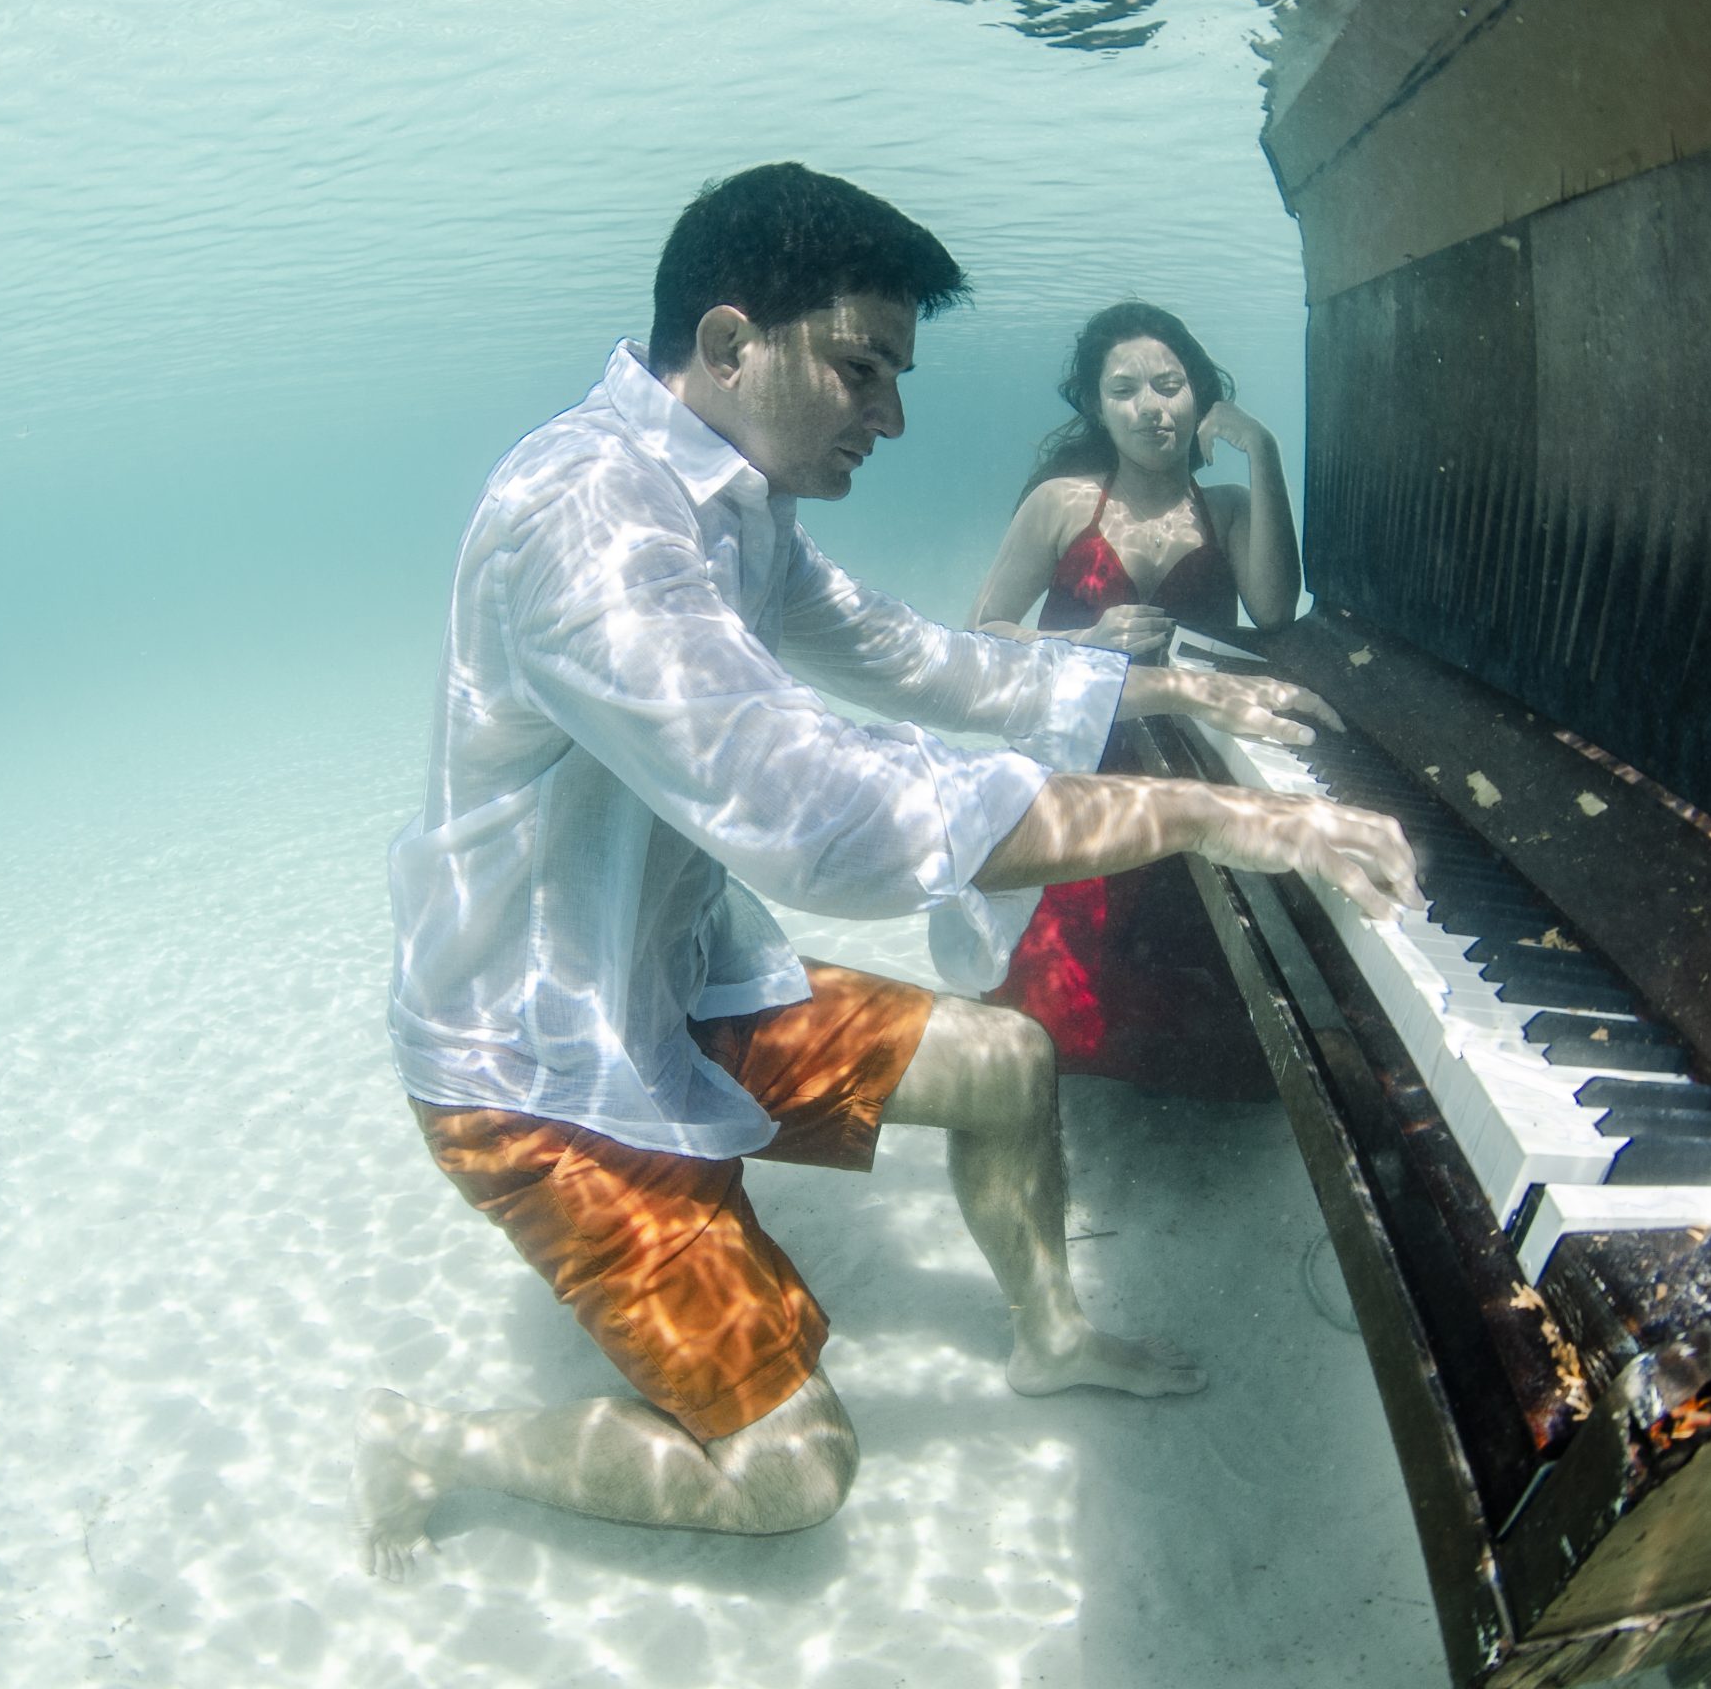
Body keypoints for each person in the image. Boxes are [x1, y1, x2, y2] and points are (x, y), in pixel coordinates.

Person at [357, 165, 1414, 1579]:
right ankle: (437, 1444)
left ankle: (1051, 1340)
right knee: (796, 1476)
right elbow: (808, 810)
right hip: (537, 1075)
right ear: (730, 343)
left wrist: (1161, 690)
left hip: (669, 997)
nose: (895, 416)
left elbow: (919, 657)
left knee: (1008, 1062)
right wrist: (1213, 818)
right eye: (864, 369)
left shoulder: (730, 506)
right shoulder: (588, 521)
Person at [968, 302, 1303, 1097]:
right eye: (1124, 391)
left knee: (1222, 1036)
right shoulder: (1062, 503)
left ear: (1201, 396)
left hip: (1194, 765)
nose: (1151, 407)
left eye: (1169, 384)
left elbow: (1277, 610)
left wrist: (1263, 448)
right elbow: (984, 632)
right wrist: (1084, 644)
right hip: (1082, 763)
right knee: (1061, 1014)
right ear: (1096, 408)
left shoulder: (1226, 509)